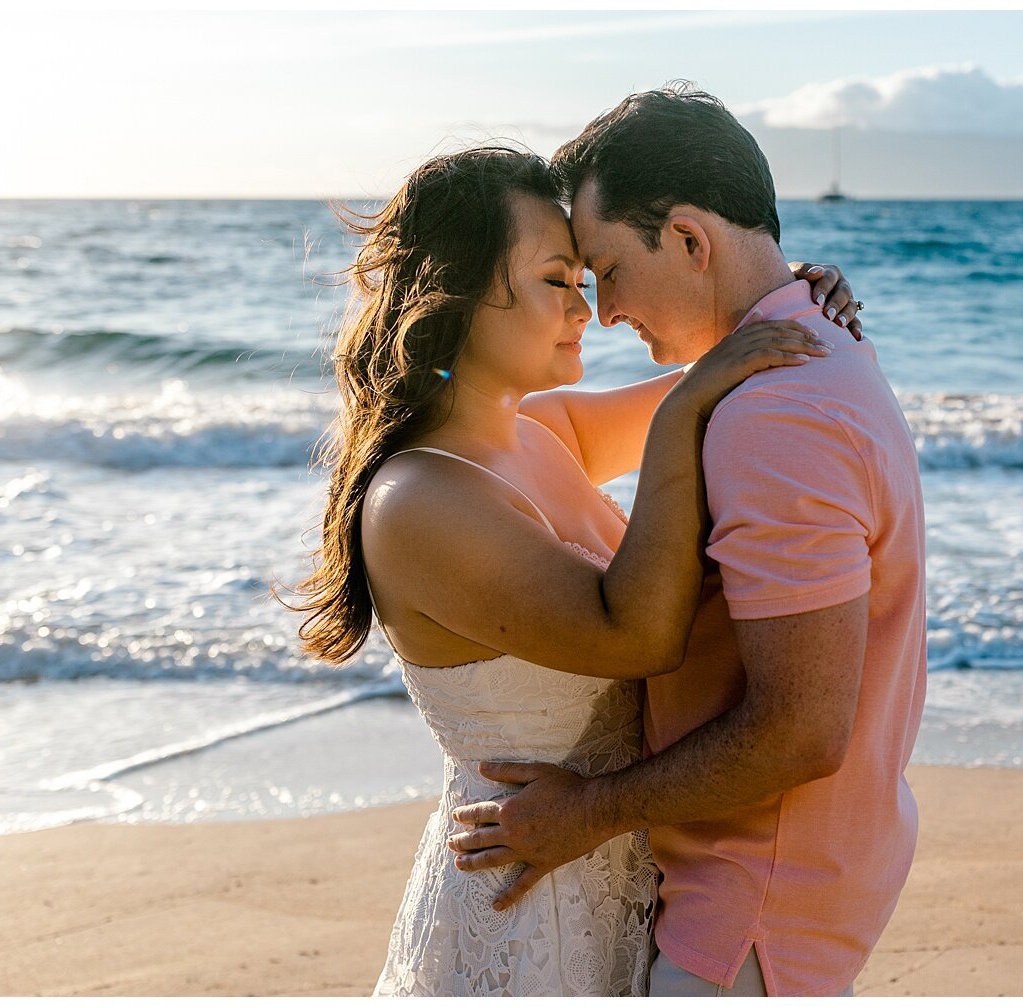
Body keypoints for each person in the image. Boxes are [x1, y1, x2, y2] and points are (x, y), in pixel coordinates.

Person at [289, 145, 861, 995]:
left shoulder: (540, 431)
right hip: (526, 908)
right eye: (559, 279)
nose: (587, 308)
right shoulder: (417, 501)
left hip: (621, 875)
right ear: (463, 291)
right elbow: (639, 632)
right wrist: (680, 427)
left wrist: (790, 295)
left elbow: (724, 373)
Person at [446, 85, 928, 997]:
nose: (604, 308)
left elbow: (799, 729)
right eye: (570, 281)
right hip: (771, 887)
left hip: (755, 911)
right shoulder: (799, 356)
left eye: (607, 269)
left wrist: (587, 812)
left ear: (692, 241)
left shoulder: (776, 414)